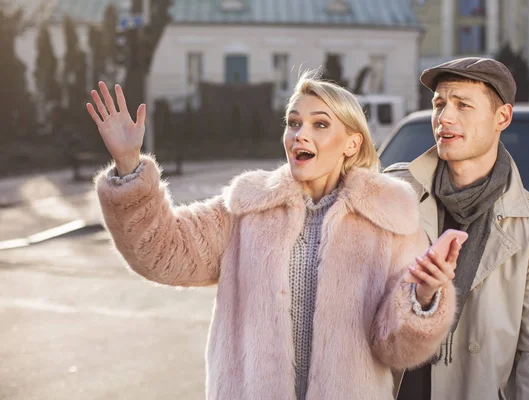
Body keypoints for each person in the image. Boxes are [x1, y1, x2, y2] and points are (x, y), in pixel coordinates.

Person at [87, 71, 460, 399]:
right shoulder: (248, 207)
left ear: (352, 143)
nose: (300, 134)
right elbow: (162, 251)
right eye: (293, 122)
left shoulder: (390, 219)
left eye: (319, 124)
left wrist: (422, 297)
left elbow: (396, 349)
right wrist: (128, 164)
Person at [385, 57, 529, 400]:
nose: (444, 118)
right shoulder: (394, 195)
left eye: (463, 105)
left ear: (502, 117)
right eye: (439, 104)